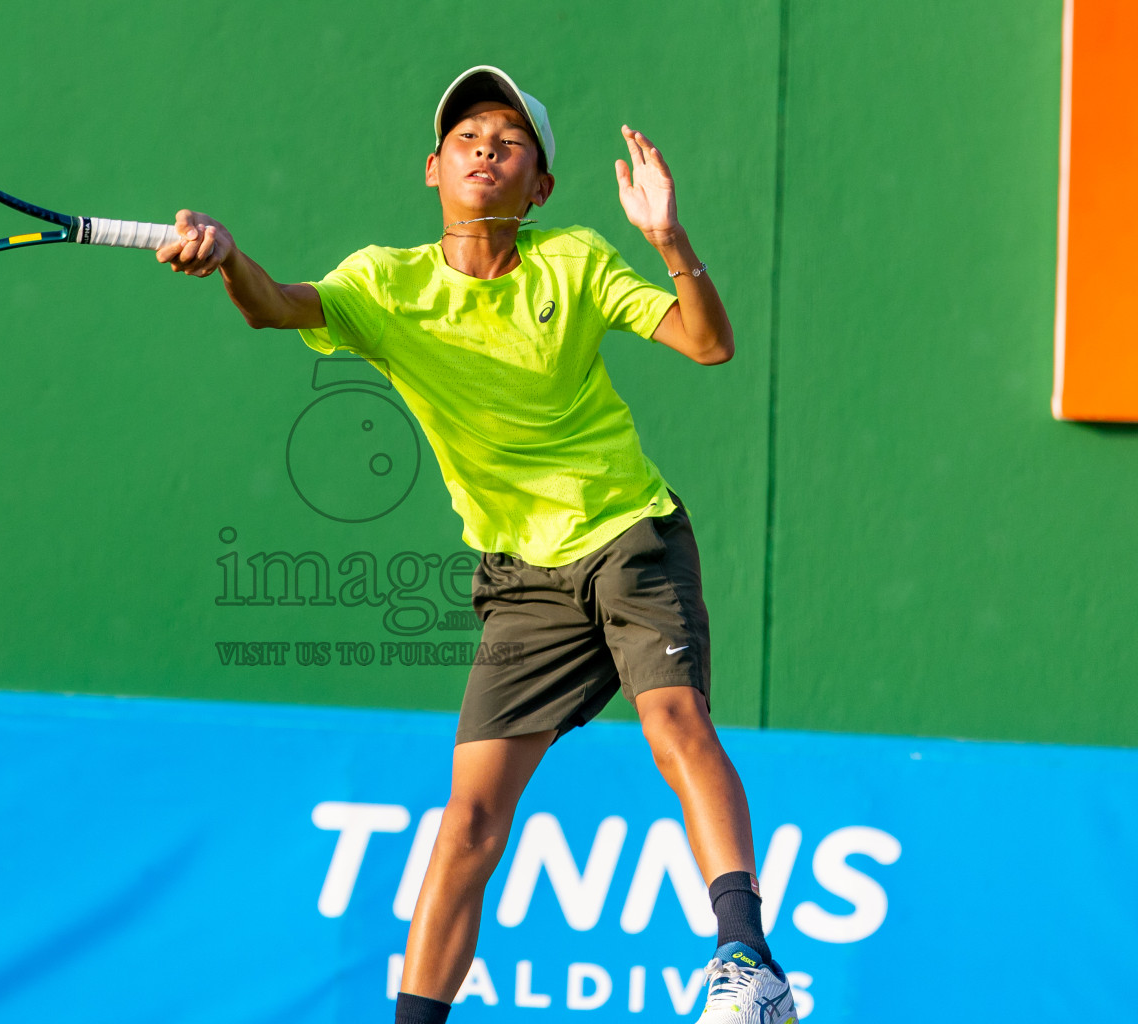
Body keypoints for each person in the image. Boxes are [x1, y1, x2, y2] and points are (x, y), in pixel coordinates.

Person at [154, 65, 794, 1024]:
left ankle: (745, 963)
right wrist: (229, 260)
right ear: (432, 170)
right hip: (520, 580)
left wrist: (668, 241)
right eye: (465, 138)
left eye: (509, 140)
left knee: (674, 724)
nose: (483, 149)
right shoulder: (384, 285)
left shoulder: (572, 260)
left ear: (538, 186)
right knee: (468, 827)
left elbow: (709, 343)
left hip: (627, 532)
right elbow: (275, 305)